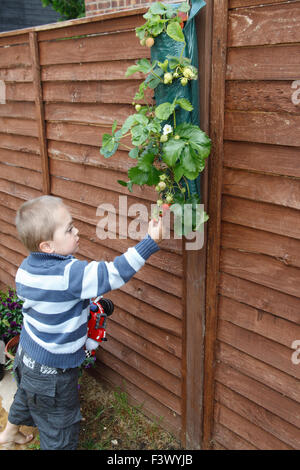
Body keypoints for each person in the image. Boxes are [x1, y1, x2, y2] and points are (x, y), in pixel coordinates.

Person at [0, 195, 162, 450]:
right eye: (69, 229)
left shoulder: (25, 270)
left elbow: (56, 297)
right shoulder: (69, 275)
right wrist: (150, 242)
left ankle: (8, 434)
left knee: (27, 394)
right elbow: (114, 273)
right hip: (54, 374)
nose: (77, 232)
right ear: (47, 246)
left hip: (27, 355)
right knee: (60, 430)